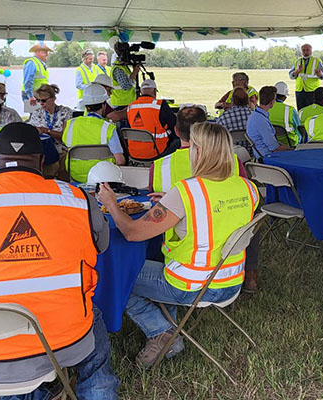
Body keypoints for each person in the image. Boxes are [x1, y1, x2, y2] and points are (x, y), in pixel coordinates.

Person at [0, 123, 119, 399]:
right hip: (64, 343)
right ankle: (98, 392)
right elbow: (102, 244)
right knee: (93, 321)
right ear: (41, 162)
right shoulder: (77, 200)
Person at [98, 122, 259, 367]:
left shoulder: (187, 191)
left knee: (116, 274)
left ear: (198, 151)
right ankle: (167, 327)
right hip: (231, 281)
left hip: (192, 285)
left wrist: (110, 203)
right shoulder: (248, 188)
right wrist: (171, 202)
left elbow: (132, 233)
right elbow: (217, 213)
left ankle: (161, 332)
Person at [150, 108, 259, 292]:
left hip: (186, 264)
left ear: (177, 131)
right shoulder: (236, 165)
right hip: (231, 266)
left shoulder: (161, 166)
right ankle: (251, 277)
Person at [63, 85, 125, 182]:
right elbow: (120, 161)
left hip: (75, 175)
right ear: (104, 105)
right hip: (103, 177)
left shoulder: (70, 124)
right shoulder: (108, 128)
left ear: (86, 106)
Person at [126, 79, 177, 160]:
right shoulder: (160, 105)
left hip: (133, 152)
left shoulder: (130, 107)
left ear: (141, 92)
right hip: (156, 152)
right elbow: (174, 124)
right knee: (179, 140)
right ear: (154, 91)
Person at [246, 86, 292, 158]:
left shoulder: (255, 115)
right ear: (271, 102)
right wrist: (293, 149)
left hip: (263, 155)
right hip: (269, 158)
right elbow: (274, 148)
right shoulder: (261, 120)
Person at [289, 44, 323, 110]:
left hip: (312, 91)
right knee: (300, 111)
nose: (305, 52)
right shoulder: (297, 61)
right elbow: (291, 75)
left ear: (311, 51)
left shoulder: (317, 61)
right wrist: (296, 72)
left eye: (307, 50)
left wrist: (320, 74)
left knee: (311, 111)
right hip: (299, 90)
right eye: (303, 50)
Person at [268, 81, 301, 146]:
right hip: (290, 143)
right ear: (284, 97)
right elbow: (298, 129)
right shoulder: (291, 110)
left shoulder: (267, 108)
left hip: (271, 141)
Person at [21, 43, 52, 110]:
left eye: (47, 52)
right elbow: (28, 80)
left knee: (39, 115)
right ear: (37, 52)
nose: (47, 54)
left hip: (38, 94)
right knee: (35, 115)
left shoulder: (39, 63)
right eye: (44, 52)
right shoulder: (31, 63)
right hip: (32, 95)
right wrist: (30, 96)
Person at [111, 42, 140, 110]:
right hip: (121, 103)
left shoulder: (123, 67)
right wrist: (135, 72)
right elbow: (126, 86)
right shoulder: (118, 68)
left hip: (125, 102)